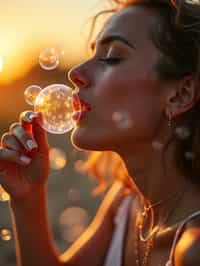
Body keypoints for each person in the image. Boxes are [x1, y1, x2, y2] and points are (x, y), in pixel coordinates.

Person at [1, 0, 200, 265]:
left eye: (112, 57)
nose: (74, 73)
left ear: (180, 94)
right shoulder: (127, 204)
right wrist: (27, 197)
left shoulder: (193, 250)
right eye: (92, 54)